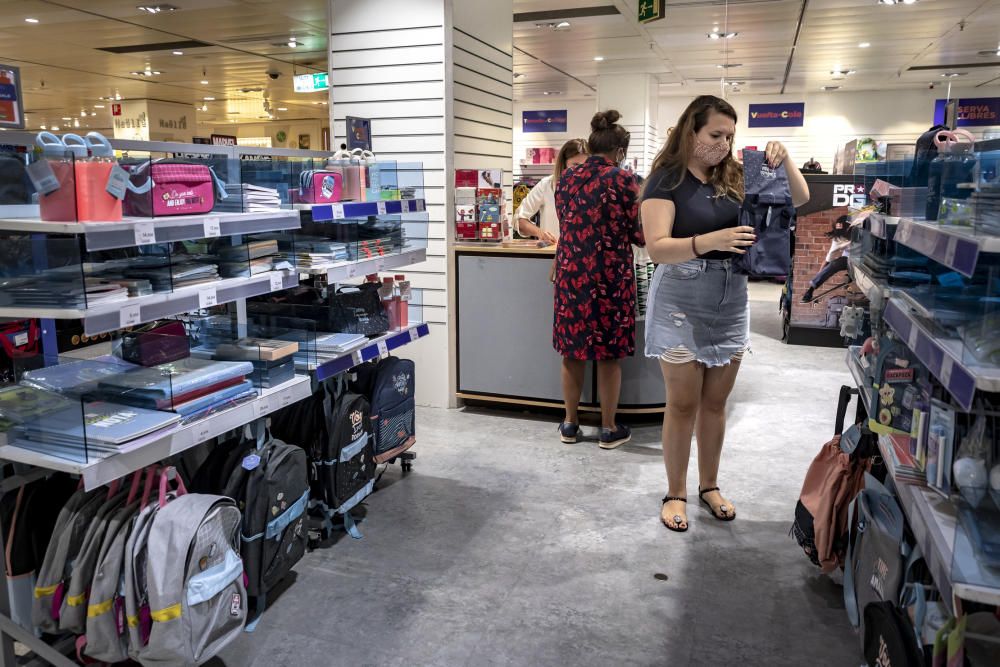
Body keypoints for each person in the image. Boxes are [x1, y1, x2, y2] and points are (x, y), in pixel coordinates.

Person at [641, 95, 810, 532]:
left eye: (730, 136)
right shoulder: (666, 180)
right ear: (690, 131)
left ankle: (709, 486)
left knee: (715, 403)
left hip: (731, 297)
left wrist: (784, 159)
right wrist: (709, 240)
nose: (723, 143)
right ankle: (675, 491)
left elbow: (800, 197)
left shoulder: (738, 174)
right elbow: (657, 247)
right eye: (715, 134)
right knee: (681, 404)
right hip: (681, 295)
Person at [553, 111, 642, 450]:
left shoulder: (567, 180)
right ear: (620, 150)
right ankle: (607, 428)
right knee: (609, 355)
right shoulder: (625, 181)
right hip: (610, 276)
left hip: (571, 273)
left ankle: (570, 424)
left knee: (571, 352)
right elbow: (639, 234)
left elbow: (567, 224)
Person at [515, 139, 589, 243]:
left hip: (585, 255)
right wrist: (540, 233)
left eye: (585, 165)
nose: (581, 170)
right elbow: (520, 220)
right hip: (553, 253)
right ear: (564, 163)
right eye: (575, 165)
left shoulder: (594, 187)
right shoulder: (547, 185)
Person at [801, 215, 854, 303]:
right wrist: (819, 276)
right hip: (849, 259)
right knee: (834, 263)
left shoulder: (858, 229)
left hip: (865, 258)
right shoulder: (837, 240)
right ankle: (810, 291)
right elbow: (827, 261)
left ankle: (851, 274)